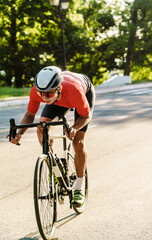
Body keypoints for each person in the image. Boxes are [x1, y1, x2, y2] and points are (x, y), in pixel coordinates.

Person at [7, 66, 95, 207]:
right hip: (58, 100)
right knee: (42, 129)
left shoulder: (75, 91)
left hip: (80, 91)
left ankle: (79, 188)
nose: (43, 97)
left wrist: (74, 128)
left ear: (58, 88)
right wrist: (19, 134)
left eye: (47, 94)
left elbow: (86, 116)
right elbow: (29, 116)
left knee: (78, 141)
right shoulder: (41, 92)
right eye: (40, 93)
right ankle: (53, 164)